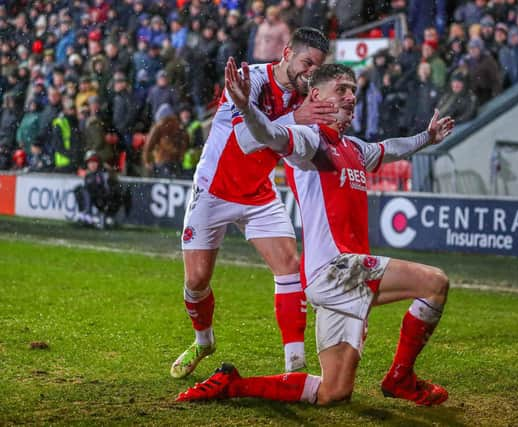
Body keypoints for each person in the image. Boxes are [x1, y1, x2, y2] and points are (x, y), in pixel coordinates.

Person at [176, 60, 454, 407]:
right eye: (341, 89)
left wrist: (426, 138)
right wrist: (246, 108)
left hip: (337, 277)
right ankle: (402, 377)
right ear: (316, 95)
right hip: (336, 268)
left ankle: (231, 384)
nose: (350, 96)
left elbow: (389, 148)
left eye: (353, 90)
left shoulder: (352, 147)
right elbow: (271, 136)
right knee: (435, 284)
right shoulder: (310, 141)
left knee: (333, 392)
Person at [171, 27, 336, 379]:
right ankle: (203, 341)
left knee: (289, 266)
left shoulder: (307, 98)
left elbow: (299, 145)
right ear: (287, 53)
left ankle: (296, 367)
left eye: (317, 68)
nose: (311, 73)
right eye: (307, 63)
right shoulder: (251, 80)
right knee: (197, 281)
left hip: (259, 192)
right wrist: (297, 119)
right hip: (213, 189)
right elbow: (246, 139)